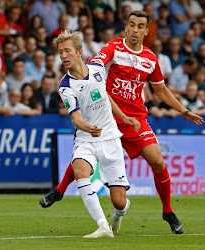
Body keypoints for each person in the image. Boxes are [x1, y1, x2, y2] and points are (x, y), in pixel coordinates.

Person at [40, 11, 204, 235]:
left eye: (140, 26)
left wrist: (183, 110)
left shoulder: (150, 58)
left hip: (135, 119)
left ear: (147, 31)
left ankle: (167, 211)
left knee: (157, 162)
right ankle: (59, 191)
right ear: (125, 27)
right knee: (85, 150)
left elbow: (161, 90)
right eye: (131, 25)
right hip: (107, 116)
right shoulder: (112, 48)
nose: (135, 30)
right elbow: (93, 67)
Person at [51, 30, 141, 238]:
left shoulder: (98, 68)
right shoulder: (65, 87)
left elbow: (105, 94)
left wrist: (124, 117)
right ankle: (102, 226)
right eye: (60, 52)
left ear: (79, 52)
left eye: (67, 51)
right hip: (86, 139)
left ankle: (116, 217)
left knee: (119, 202)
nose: (63, 56)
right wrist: (88, 128)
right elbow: (76, 119)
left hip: (110, 138)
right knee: (80, 170)